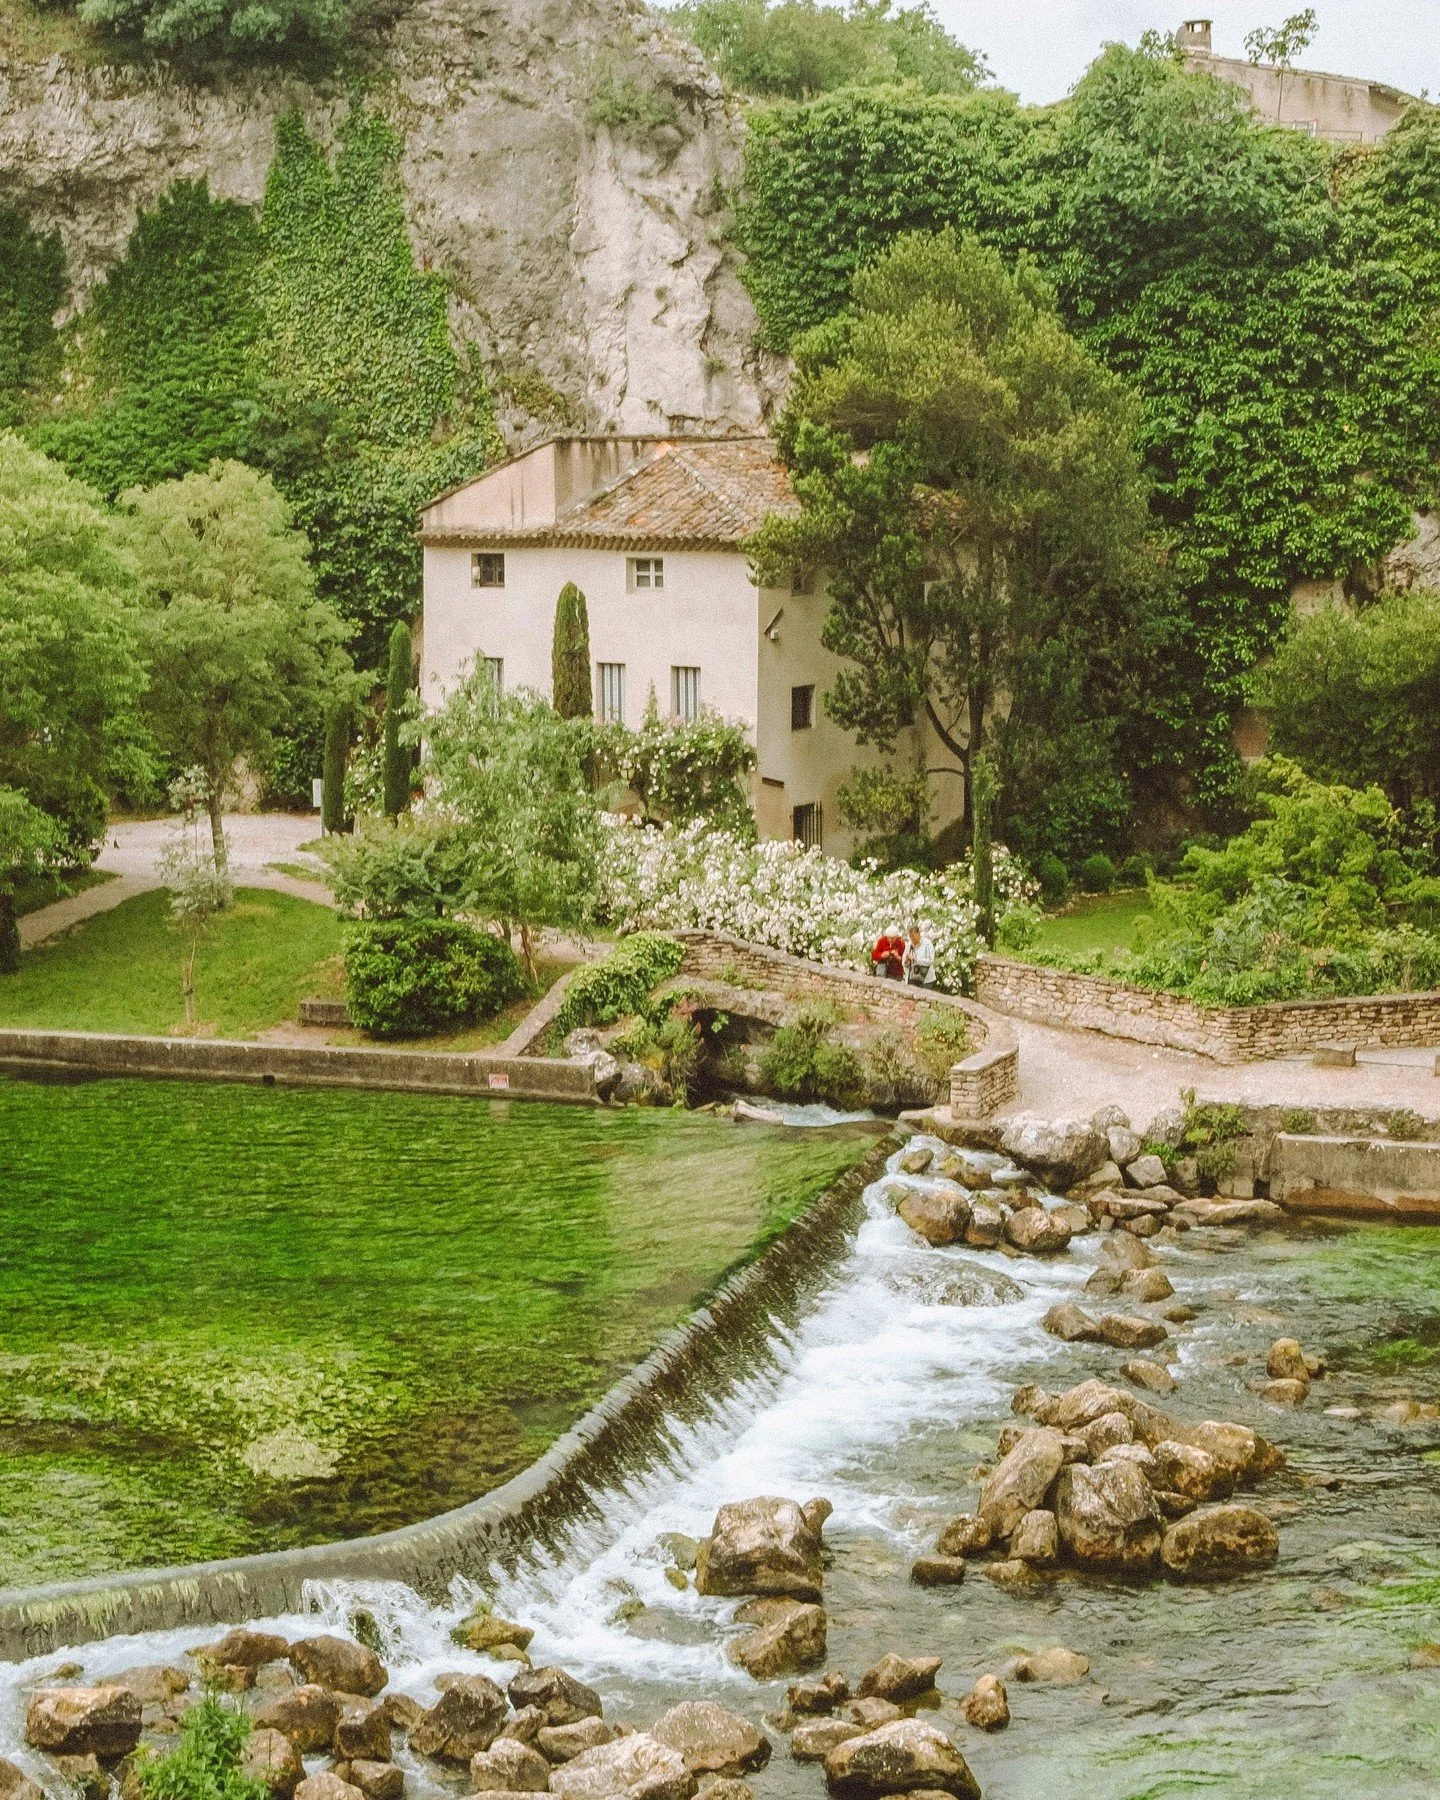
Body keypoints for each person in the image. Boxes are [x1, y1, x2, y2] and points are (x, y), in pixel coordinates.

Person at [903, 920, 936, 987]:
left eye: (914, 938)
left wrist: (916, 959)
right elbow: (904, 962)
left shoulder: (927, 944)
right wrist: (907, 960)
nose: (913, 940)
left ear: (919, 933)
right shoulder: (909, 945)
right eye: (911, 938)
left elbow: (930, 960)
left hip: (926, 980)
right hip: (913, 979)